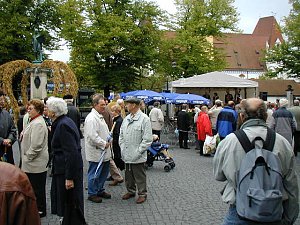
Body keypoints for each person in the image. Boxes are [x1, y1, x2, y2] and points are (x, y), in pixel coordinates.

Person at [213, 98, 299, 225]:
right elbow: (291, 185)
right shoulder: (282, 143)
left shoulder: (229, 142)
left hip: (239, 211)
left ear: (242, 116)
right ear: (265, 116)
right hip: (274, 212)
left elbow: (219, 175)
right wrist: (289, 218)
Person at [46, 97, 84, 220]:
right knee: (69, 203)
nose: (45, 110)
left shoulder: (62, 125)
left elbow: (71, 153)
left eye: (47, 108)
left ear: (53, 112)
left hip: (65, 170)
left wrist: (69, 177)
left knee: (69, 203)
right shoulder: (64, 121)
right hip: (64, 168)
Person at [119, 97, 152, 204]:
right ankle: (131, 191)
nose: (125, 106)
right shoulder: (126, 118)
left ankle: (142, 194)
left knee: (139, 175)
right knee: (128, 174)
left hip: (137, 154)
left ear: (133, 105)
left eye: (127, 104)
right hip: (127, 152)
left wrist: (138, 151)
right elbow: (121, 135)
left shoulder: (144, 119)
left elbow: (147, 139)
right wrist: (122, 147)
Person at [21, 99, 49, 218]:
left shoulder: (37, 123)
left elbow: (36, 145)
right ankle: (37, 208)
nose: (28, 110)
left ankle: (40, 210)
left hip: (35, 163)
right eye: (28, 107)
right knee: (35, 187)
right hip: (33, 162)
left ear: (38, 110)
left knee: (37, 188)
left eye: (30, 108)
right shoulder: (33, 121)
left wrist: (27, 157)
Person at [84, 94, 112, 203]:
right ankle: (92, 193)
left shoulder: (99, 116)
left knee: (103, 173)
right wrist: (103, 143)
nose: (104, 107)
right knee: (94, 173)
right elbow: (92, 136)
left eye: (105, 105)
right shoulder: (91, 118)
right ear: (95, 105)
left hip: (103, 151)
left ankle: (100, 189)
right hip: (97, 151)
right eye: (102, 105)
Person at [0, 90, 17, 164]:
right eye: (0, 100)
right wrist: (2, 141)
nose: (3, 102)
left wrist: (9, 139)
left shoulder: (6, 114)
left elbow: (13, 130)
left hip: (7, 151)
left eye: (3, 99)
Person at [110, 104, 125, 186]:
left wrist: (113, 140)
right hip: (115, 142)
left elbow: (117, 133)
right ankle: (115, 175)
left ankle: (117, 175)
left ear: (116, 112)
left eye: (112, 111)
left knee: (117, 158)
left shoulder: (118, 121)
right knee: (116, 158)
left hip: (116, 143)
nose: (111, 112)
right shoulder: (116, 119)